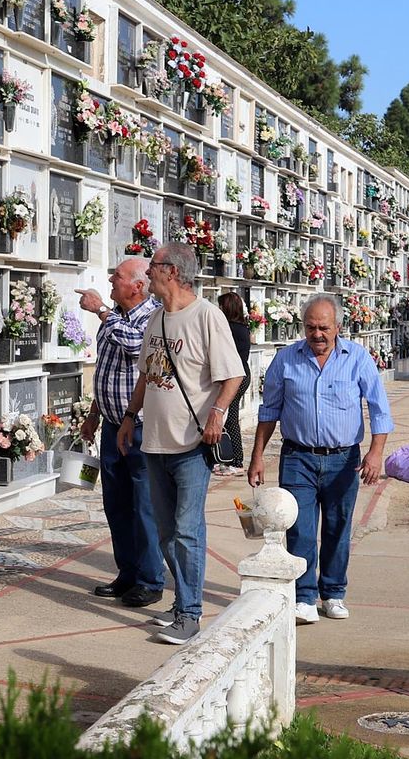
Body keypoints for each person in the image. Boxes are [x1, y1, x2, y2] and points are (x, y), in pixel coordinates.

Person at [119, 243, 245, 645]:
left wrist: (217, 414)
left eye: (152, 267)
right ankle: (180, 605)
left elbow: (233, 375)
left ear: (171, 271)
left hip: (191, 445)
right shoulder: (157, 317)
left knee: (187, 531)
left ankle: (190, 614)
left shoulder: (207, 316)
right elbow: (146, 373)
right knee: (166, 534)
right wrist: (129, 417)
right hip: (155, 442)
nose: (147, 274)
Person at [248, 293, 394, 625]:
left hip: (343, 460)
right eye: (311, 327)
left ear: (338, 326)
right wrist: (257, 457)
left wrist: (375, 453)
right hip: (297, 457)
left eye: (324, 328)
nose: (317, 335)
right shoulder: (286, 360)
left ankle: (333, 592)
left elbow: (379, 409)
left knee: (337, 527)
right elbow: (269, 411)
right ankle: (304, 596)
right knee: (299, 528)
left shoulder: (357, 358)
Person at [77, 257, 163, 608]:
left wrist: (100, 310)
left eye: (119, 276)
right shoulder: (116, 316)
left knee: (143, 506)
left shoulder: (153, 317)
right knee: (116, 505)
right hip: (112, 425)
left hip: (141, 428)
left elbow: (136, 348)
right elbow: (106, 368)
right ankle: (127, 572)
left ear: (138, 286)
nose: (112, 279)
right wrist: (93, 414)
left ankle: (150, 580)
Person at [213, 292, 251, 474]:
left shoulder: (231, 328)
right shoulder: (242, 327)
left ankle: (235, 460)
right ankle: (229, 458)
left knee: (230, 417)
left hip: (236, 377)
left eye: (221, 306)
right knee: (230, 416)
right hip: (242, 374)